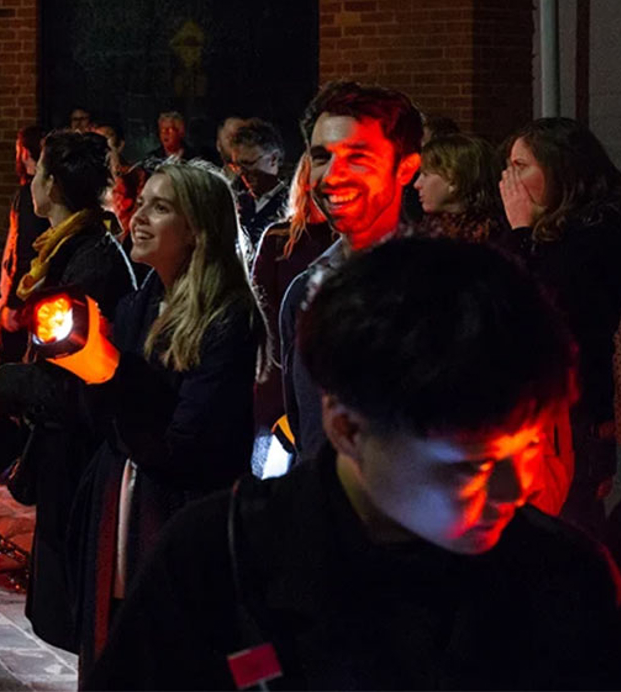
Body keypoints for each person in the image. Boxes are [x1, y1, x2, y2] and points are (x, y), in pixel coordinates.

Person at [86, 238, 621, 691]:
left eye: (527, 450)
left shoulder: (563, 578)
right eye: (470, 467)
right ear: (345, 426)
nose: (513, 491)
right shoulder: (219, 563)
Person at [69, 160, 267, 673]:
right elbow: (103, 423)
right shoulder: (139, 303)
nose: (138, 217)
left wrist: (114, 377)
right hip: (121, 509)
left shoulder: (227, 319)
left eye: (161, 208)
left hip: (180, 517)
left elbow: (188, 446)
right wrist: (89, 371)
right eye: (142, 203)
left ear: (197, 229)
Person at [0, 129, 136, 651]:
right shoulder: (66, 251)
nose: (32, 181)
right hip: (64, 449)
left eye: (39, 172)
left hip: (81, 452)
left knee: (82, 602)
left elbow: (72, 379)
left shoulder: (90, 259)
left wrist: (6, 380)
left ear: (55, 184)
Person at [280, 81, 422, 460]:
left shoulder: (442, 289)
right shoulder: (304, 291)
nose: (332, 176)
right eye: (321, 157)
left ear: (406, 168)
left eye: (357, 157)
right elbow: (305, 430)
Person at [499, 118, 621, 538]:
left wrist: (520, 231)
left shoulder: (594, 235)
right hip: (545, 420)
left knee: (570, 537)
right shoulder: (552, 235)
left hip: (578, 419)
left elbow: (542, 308)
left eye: (522, 166)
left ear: (561, 170)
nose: (508, 181)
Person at [250, 157, 335, 463]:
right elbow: (264, 323)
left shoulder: (343, 245)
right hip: (279, 388)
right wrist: (274, 405)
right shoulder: (279, 240)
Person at [0, 125, 50, 363]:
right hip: (41, 290)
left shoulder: (30, 195)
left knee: (11, 363)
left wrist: (13, 302)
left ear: (24, 152)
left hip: (29, 294)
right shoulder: (45, 190)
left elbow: (24, 248)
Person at [413, 134, 506, 243]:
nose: (416, 184)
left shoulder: (488, 238)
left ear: (454, 180)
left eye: (425, 174)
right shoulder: (428, 230)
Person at [229, 119, 289, 252]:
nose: (242, 173)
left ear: (273, 159)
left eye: (249, 164)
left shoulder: (291, 204)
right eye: (237, 166)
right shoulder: (238, 203)